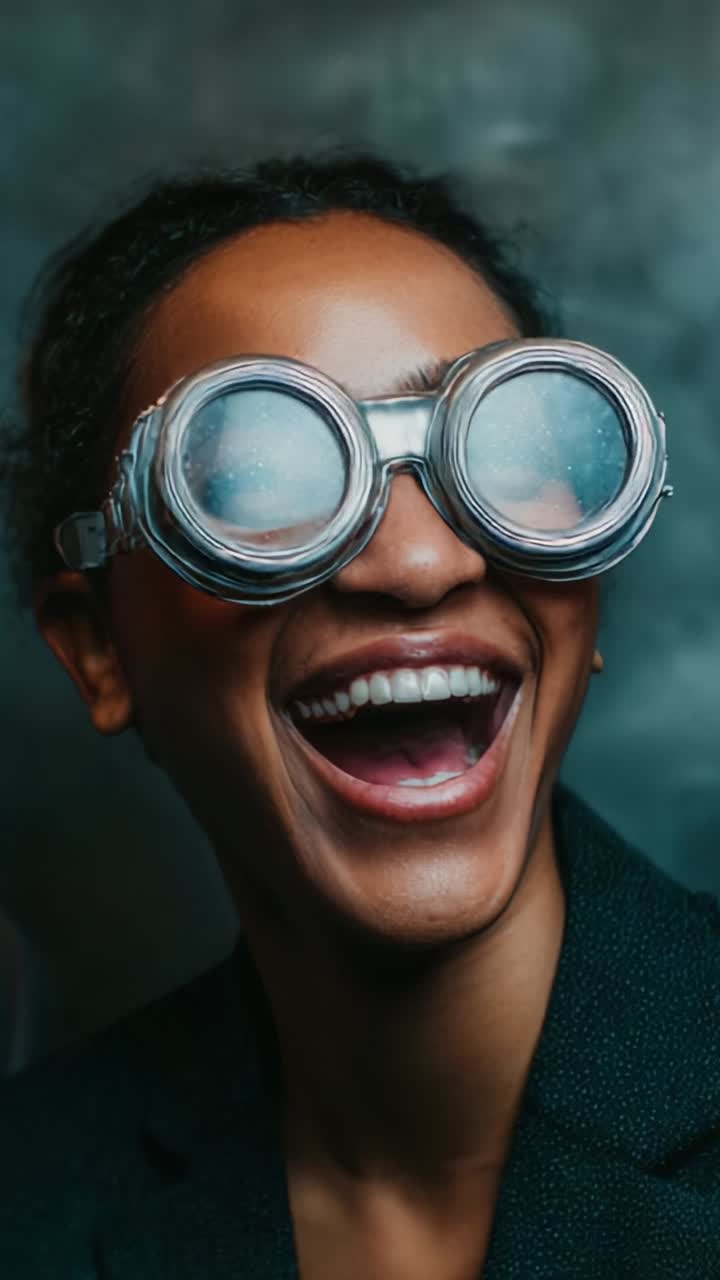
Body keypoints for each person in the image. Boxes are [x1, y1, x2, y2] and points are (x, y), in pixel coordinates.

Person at [1, 153, 719, 1279]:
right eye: (257, 477)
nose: (423, 560)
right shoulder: (32, 1200)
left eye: (506, 450)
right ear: (100, 651)